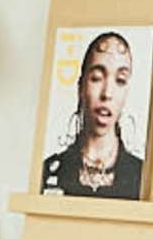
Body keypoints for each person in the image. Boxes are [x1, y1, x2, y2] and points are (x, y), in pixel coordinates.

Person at [37, 29, 146, 197]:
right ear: (81, 86)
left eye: (120, 81)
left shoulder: (143, 178)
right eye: (96, 78)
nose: (107, 93)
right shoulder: (49, 172)